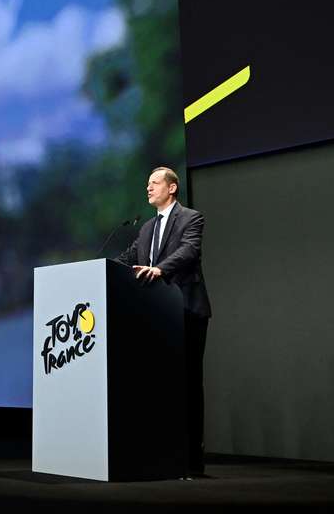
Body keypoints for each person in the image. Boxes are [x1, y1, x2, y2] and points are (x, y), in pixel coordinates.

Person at [117, 166, 212, 478]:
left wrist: (160, 269)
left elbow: (189, 251)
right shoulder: (145, 229)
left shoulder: (191, 218)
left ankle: (191, 461)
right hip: (156, 316)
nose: (149, 188)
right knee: (159, 386)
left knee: (187, 385)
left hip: (186, 309)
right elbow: (127, 258)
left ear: (172, 188)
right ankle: (162, 457)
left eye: (154, 183)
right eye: (147, 183)